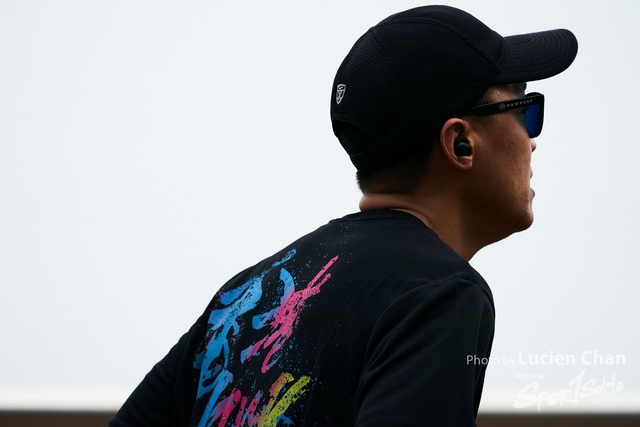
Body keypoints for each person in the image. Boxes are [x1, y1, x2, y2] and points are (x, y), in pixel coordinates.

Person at [109, 5, 577, 427]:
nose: (532, 140)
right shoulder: (439, 295)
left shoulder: (248, 293)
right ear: (460, 143)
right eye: (526, 110)